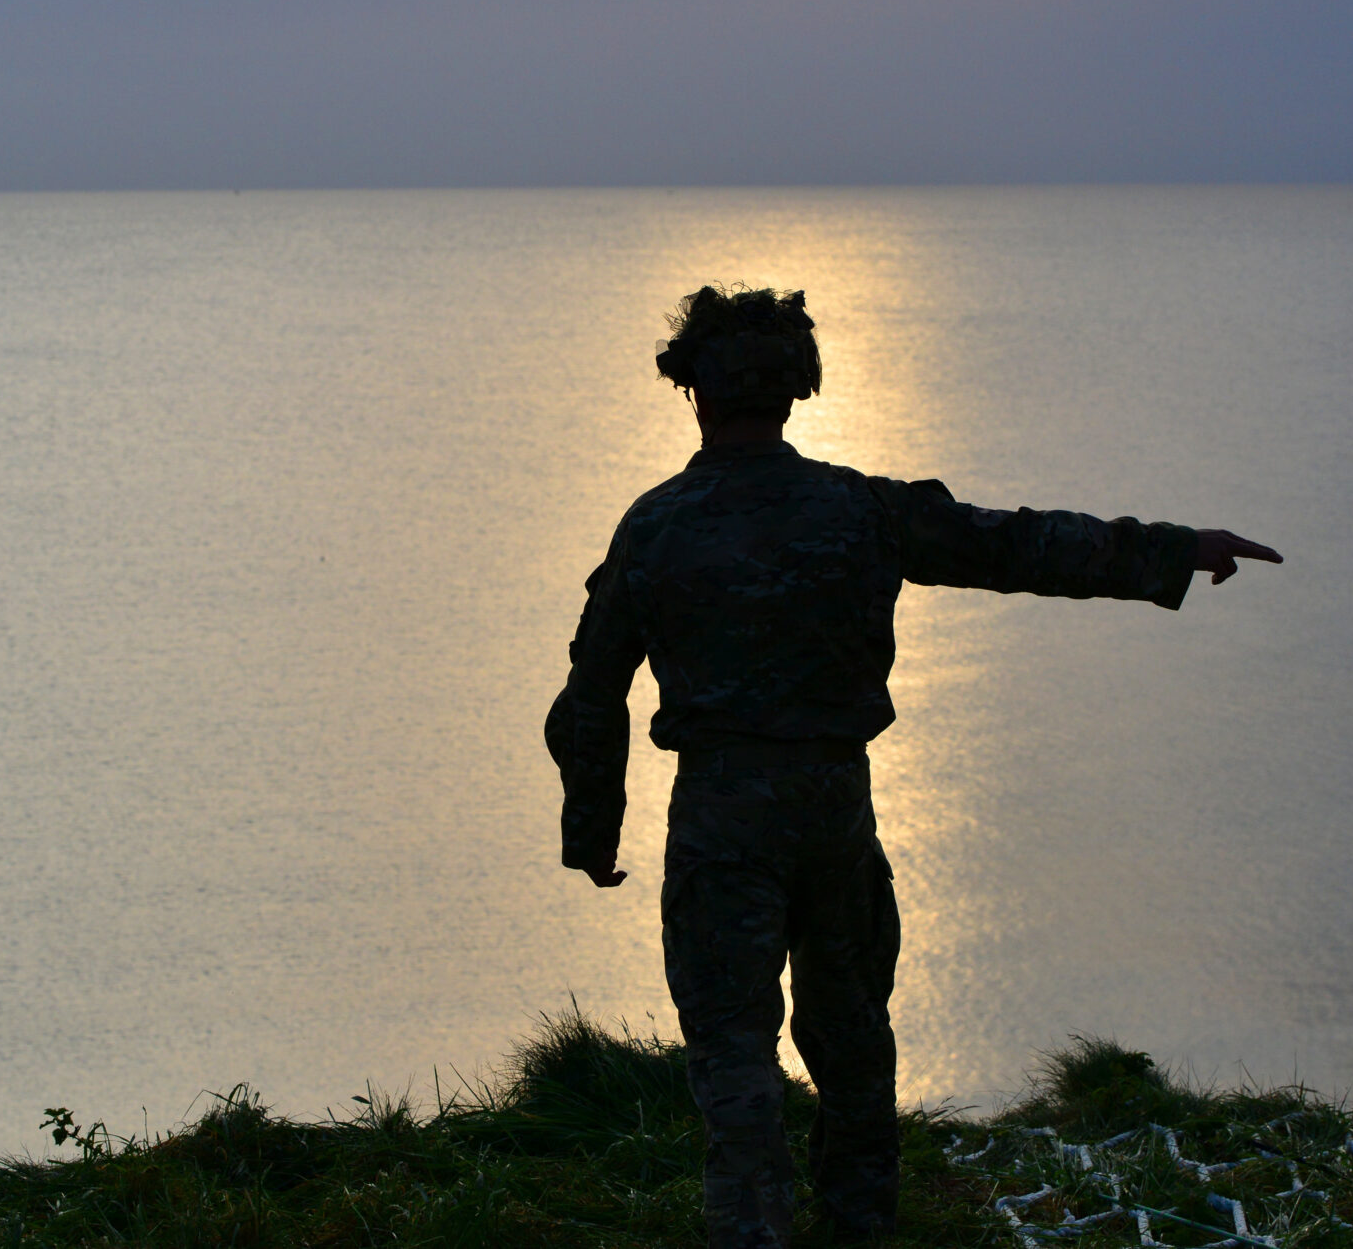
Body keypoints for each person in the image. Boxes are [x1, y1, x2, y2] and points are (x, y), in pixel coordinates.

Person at [545, 284, 1282, 1249]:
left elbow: (589, 702)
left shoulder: (652, 528)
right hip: (837, 814)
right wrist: (1175, 551)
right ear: (795, 390)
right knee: (853, 1052)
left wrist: (593, 831)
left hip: (722, 819)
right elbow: (1017, 544)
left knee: (734, 1063)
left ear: (695, 393)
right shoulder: (863, 510)